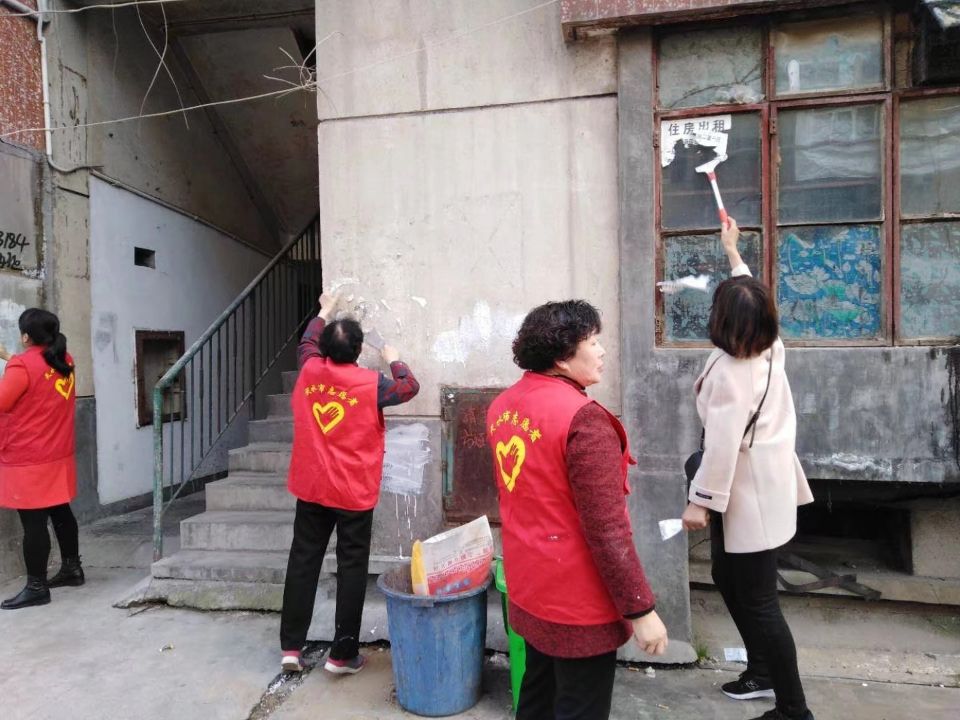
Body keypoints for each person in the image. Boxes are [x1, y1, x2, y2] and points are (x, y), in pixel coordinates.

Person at [487, 300, 668, 720]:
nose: (602, 351)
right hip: (577, 599)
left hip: (529, 583)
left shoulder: (504, 405)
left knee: (537, 694)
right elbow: (607, 529)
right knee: (579, 706)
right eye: (592, 341)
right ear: (562, 357)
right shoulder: (583, 421)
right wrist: (640, 609)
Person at [681, 218, 815, 720]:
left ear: (723, 321)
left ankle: (794, 709)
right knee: (726, 574)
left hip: (747, 491)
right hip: (760, 483)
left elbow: (720, 448)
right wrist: (733, 252)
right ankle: (760, 670)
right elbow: (750, 295)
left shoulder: (733, 375)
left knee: (760, 601)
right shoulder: (770, 347)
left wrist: (698, 504)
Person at [279, 291, 419, 674]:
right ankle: (342, 655)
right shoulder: (372, 384)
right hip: (353, 492)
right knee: (352, 567)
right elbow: (409, 386)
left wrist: (324, 309)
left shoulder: (310, 370)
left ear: (325, 349)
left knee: (303, 561)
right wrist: (393, 357)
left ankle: (291, 648)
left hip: (312, 487)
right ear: (358, 351)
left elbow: (307, 341)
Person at [0, 309, 83, 610]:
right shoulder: (64, 358)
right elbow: (38, 378)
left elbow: (3, 401)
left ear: (26, 336)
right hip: (57, 452)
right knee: (60, 510)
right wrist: (9, 357)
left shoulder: (22, 365)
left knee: (33, 524)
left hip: (29, 457)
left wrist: (11, 362)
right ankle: (72, 568)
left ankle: (37, 587)